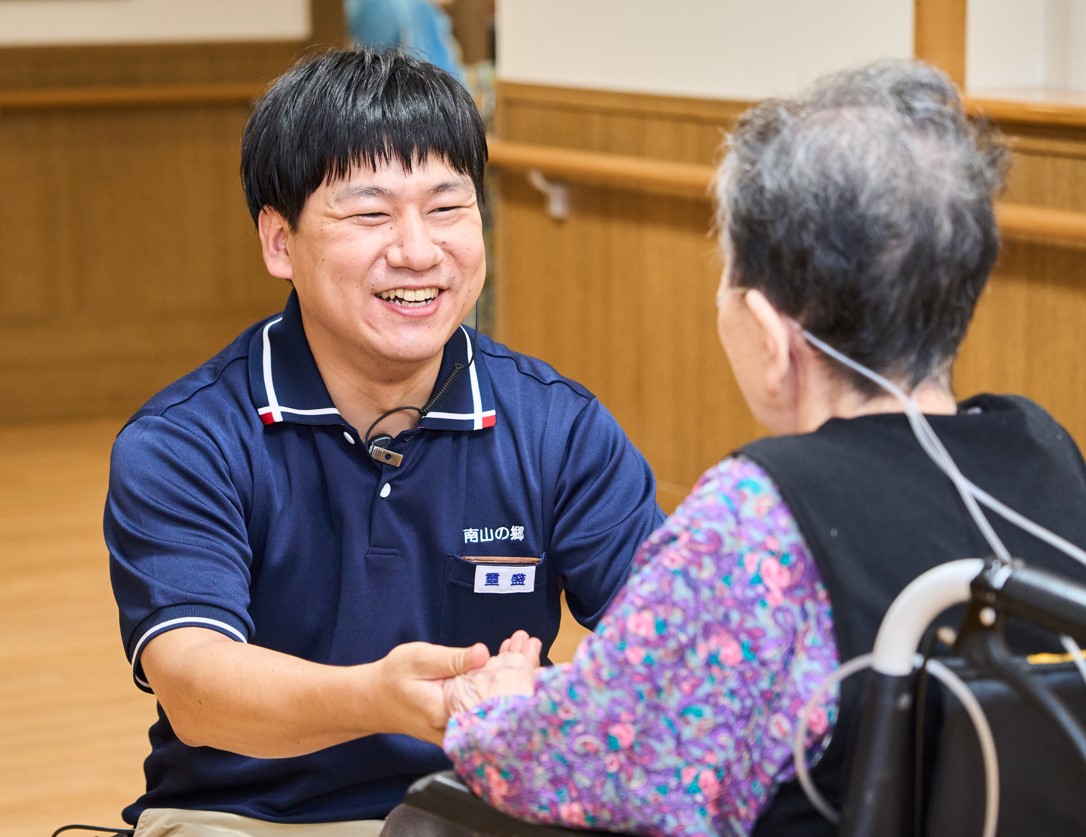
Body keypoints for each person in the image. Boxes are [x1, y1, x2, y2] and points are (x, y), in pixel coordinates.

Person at [437, 59, 1086, 836]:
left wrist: (500, 704)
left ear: (773, 338)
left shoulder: (756, 520)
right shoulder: (1048, 454)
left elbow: (580, 763)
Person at [103, 47, 664, 834]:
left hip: (490, 807)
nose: (418, 251)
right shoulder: (185, 440)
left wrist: (547, 699)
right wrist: (378, 697)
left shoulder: (557, 425)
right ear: (279, 241)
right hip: (248, 816)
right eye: (369, 214)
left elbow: (670, 639)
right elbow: (195, 689)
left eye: (447, 208)